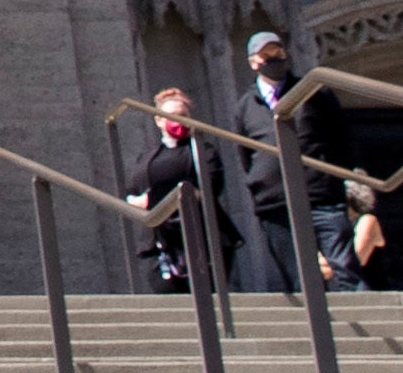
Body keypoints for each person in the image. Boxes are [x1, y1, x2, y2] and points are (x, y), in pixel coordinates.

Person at [242, 27, 360, 295]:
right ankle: (317, 330)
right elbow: (245, 152)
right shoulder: (246, 105)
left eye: (277, 52)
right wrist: (259, 181)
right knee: (298, 275)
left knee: (343, 264)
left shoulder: (315, 92)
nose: (273, 58)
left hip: (321, 196)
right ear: (253, 62)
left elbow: (341, 138)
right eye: (265, 55)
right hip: (275, 200)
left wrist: (334, 176)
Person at [121, 86, 225, 294]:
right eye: (170, 116)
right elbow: (133, 189)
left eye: (183, 116)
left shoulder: (202, 151)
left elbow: (209, 185)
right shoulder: (148, 157)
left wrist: (151, 200)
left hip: (198, 236)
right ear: (158, 120)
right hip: (159, 240)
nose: (178, 121)